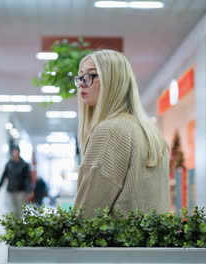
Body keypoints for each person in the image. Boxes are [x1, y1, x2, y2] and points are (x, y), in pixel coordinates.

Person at [74, 50, 169, 218]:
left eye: (91, 76)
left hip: (116, 243)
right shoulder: (149, 132)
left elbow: (86, 216)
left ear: (113, 81)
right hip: (149, 243)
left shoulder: (109, 131)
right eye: (81, 77)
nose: (82, 83)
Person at [0, 146, 31, 218]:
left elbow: (27, 179)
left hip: (20, 192)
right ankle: (11, 228)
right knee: (11, 211)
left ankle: (19, 228)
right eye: (13, 152)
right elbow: (3, 178)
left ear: (19, 153)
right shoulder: (9, 164)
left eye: (16, 152)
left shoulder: (24, 165)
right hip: (10, 191)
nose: (15, 154)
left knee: (19, 211)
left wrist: (28, 192)